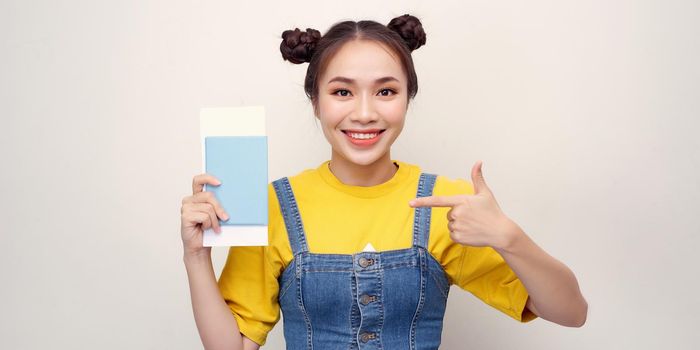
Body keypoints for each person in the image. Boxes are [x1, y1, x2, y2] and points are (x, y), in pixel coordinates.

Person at [180, 14, 588, 350]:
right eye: (342, 91)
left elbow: (570, 312)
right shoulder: (275, 203)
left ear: (407, 97)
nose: (364, 113)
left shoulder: (446, 202)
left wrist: (507, 236)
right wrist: (196, 256)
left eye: (385, 92)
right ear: (315, 101)